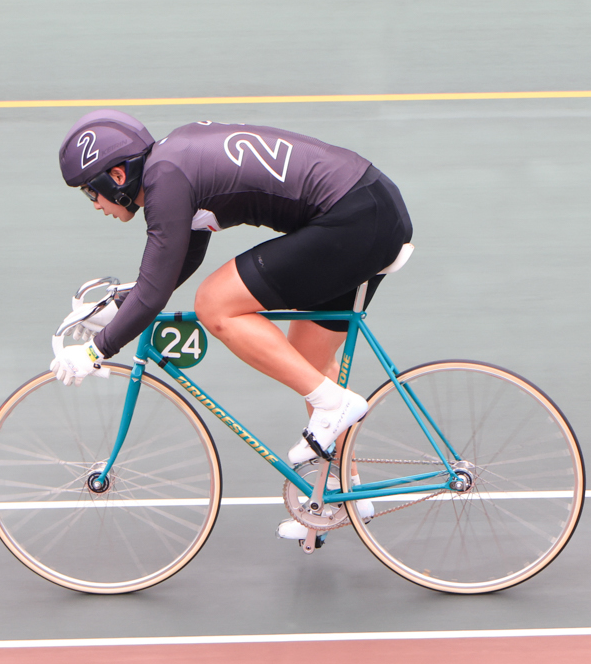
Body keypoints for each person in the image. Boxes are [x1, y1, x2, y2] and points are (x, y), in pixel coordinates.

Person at [49, 110, 414, 541]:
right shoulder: (173, 164)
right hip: (369, 206)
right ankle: (343, 491)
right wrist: (119, 307)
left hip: (353, 218)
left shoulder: (166, 182)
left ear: (117, 175)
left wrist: (96, 352)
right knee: (306, 364)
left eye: (92, 192)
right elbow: (174, 264)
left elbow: (156, 290)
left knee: (214, 303)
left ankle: (333, 407)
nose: (94, 205)